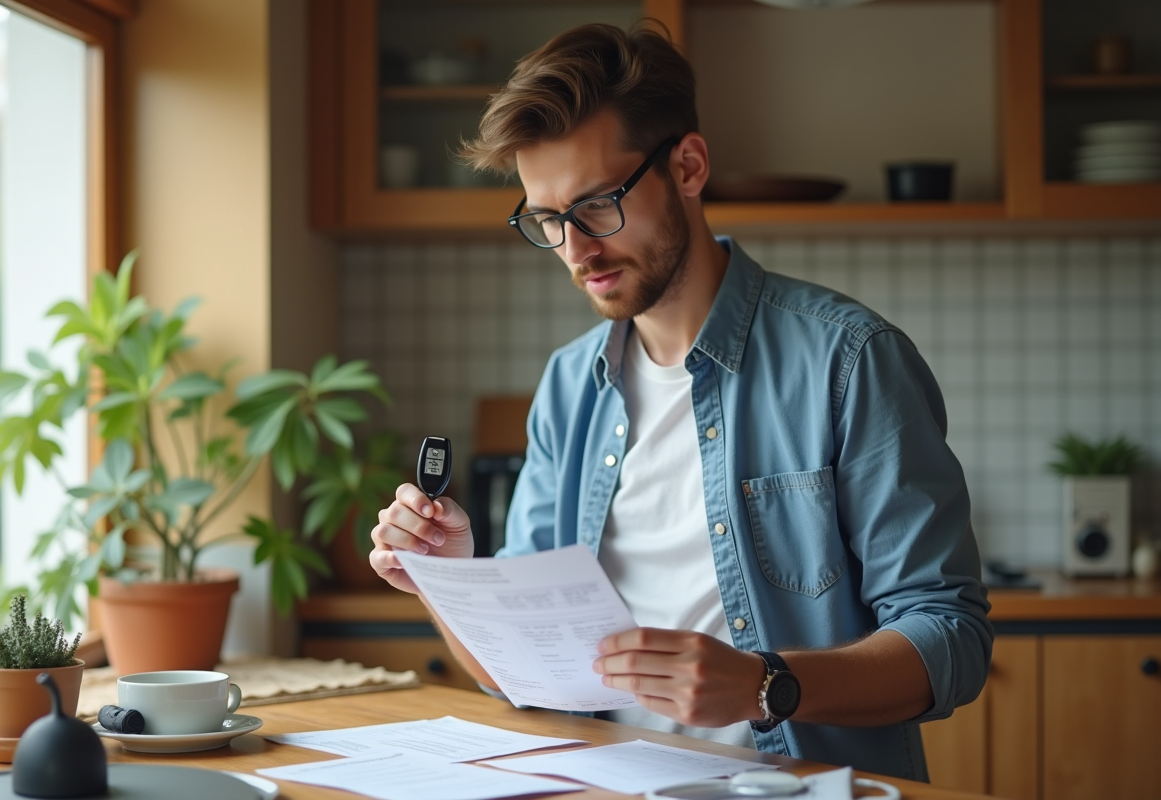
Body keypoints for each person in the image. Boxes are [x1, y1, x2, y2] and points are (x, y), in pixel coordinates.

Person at [370, 22, 991, 782]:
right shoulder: (570, 388)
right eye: (546, 219)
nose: (574, 248)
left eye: (598, 204)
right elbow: (526, 678)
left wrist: (764, 684)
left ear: (688, 166)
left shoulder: (850, 360)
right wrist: (447, 576)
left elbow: (951, 640)